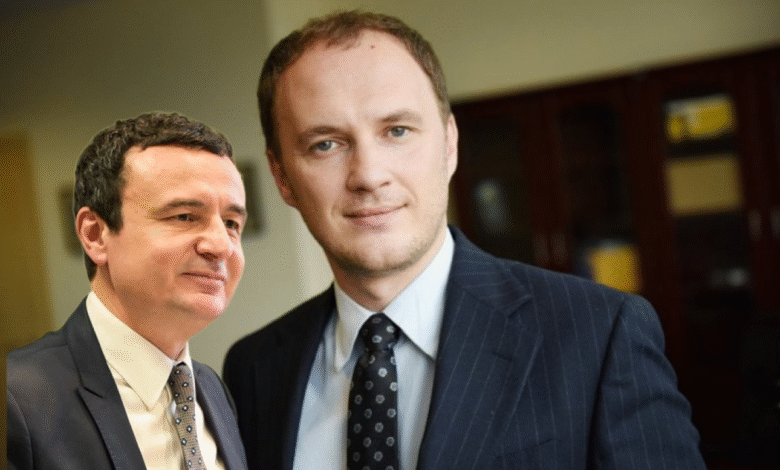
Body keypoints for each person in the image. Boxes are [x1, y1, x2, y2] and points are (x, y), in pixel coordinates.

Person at [223, 11, 706, 470]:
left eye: (397, 131)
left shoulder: (599, 335)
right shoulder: (254, 369)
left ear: (450, 144)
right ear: (282, 177)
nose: (368, 175)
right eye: (325, 144)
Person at [7, 113, 249, 470]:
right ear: (95, 235)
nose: (221, 246)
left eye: (230, 223)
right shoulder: (17, 399)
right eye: (184, 216)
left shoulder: (211, 389)